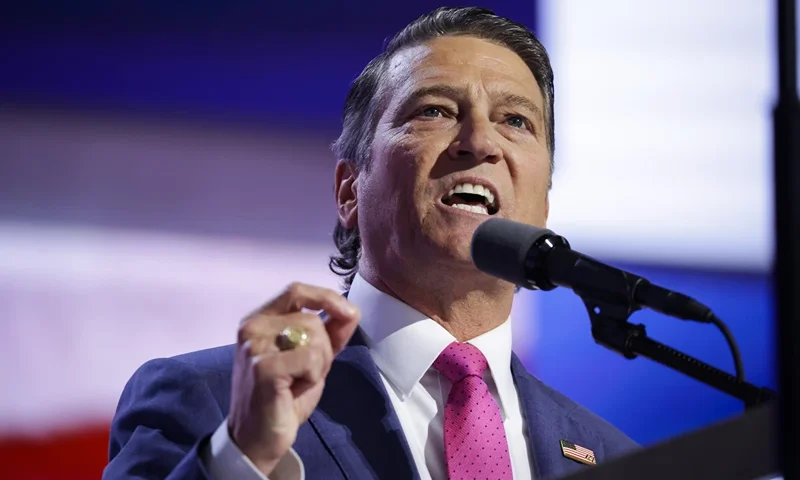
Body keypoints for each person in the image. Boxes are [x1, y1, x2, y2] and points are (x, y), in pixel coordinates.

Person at [103, 6, 638, 480]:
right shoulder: (210, 401)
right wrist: (242, 457)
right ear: (349, 189)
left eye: (515, 120)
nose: (479, 142)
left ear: (543, 207)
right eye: (434, 110)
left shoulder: (617, 459)